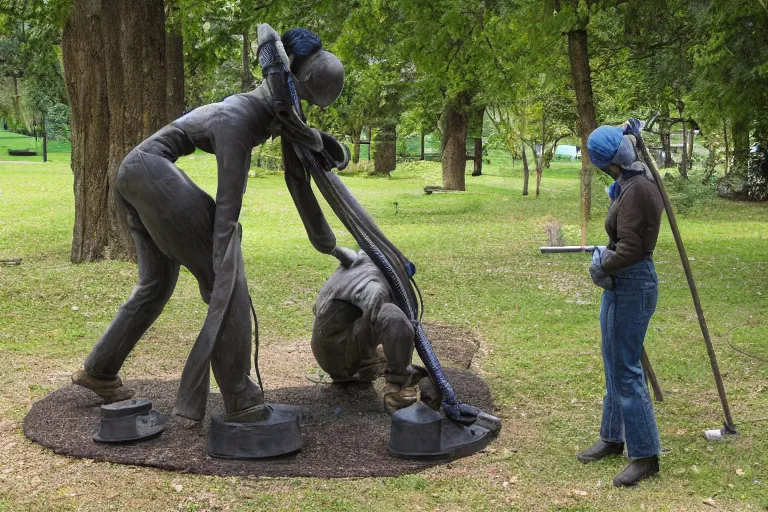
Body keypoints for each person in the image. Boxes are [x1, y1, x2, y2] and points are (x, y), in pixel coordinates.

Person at [71, 24, 355, 424]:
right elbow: (227, 208)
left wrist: (329, 245)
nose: (299, 106)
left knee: (156, 285)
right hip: (148, 169)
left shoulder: (279, 117)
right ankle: (240, 395)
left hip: (135, 173)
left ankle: (98, 371)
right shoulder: (237, 120)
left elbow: (299, 183)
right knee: (228, 280)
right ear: (288, 83)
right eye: (300, 96)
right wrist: (220, 264)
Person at [578, 119, 664, 487]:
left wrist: (602, 262)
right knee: (614, 362)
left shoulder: (640, 188)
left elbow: (632, 248)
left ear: (606, 163)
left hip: (632, 283)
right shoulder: (629, 182)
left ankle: (645, 455)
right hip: (622, 284)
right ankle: (612, 437)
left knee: (626, 369)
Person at [311, 251, 423, 412]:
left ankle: (363, 366)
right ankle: (396, 389)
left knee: (383, 330)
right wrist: (401, 372)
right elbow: (397, 324)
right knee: (394, 318)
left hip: (326, 350)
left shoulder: (350, 270)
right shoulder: (374, 286)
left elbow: (317, 309)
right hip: (344, 361)